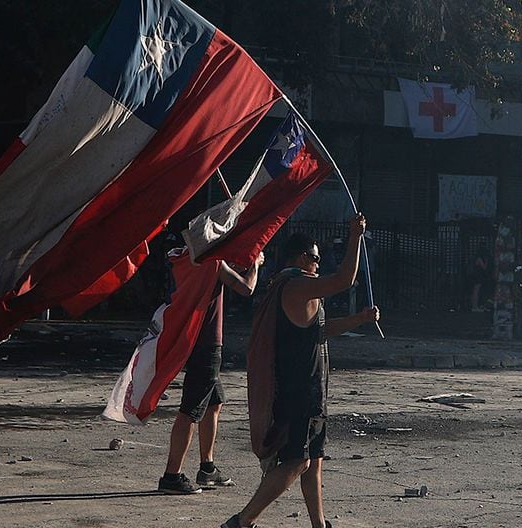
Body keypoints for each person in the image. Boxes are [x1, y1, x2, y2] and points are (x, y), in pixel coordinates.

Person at [223, 213, 379, 528]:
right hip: (298, 392)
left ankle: (319, 524)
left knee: (314, 461)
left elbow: (319, 330)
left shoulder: (297, 291)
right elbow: (344, 280)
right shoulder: (294, 285)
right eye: (314, 258)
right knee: (298, 460)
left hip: (310, 391)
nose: (317, 265)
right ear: (298, 258)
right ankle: (242, 521)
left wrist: (359, 319)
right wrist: (355, 237)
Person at [157, 252, 264, 494]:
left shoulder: (185, 259)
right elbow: (247, 288)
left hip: (192, 339)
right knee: (191, 410)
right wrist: (255, 264)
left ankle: (207, 468)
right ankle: (171, 476)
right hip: (206, 343)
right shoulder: (214, 263)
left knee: (214, 403)